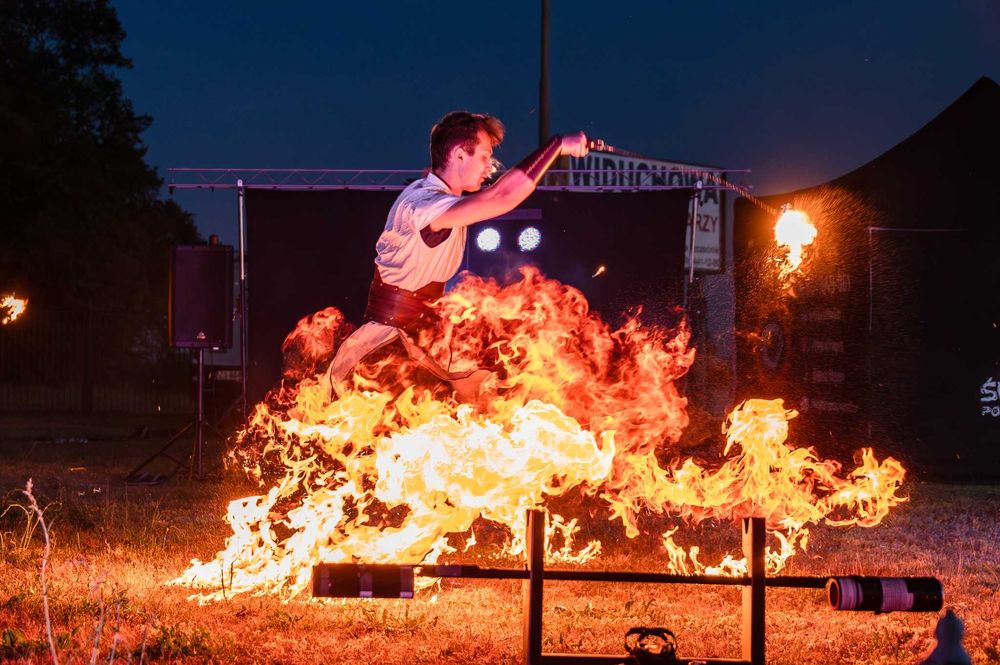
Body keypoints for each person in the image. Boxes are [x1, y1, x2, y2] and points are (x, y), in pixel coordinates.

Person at [326, 111, 589, 399]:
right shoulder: (424, 204)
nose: (490, 165)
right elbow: (503, 197)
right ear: (459, 155)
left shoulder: (432, 194)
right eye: (484, 156)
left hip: (411, 347)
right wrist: (557, 146)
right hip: (383, 355)